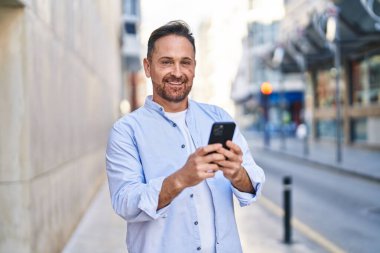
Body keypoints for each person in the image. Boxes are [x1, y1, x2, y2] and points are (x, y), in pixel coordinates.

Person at [106, 20, 265, 253]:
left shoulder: (218, 117)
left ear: (194, 67)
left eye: (185, 63)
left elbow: (254, 183)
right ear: (148, 67)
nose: (177, 73)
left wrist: (236, 173)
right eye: (167, 62)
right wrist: (181, 178)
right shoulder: (126, 131)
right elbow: (125, 203)